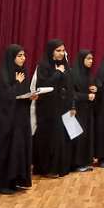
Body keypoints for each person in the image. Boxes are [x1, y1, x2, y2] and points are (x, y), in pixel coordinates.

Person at [0, 45, 34, 194]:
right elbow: (4, 97)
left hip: (19, 120)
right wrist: (17, 83)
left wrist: (31, 97)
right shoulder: (3, 74)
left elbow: (22, 95)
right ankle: (0, 184)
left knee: (16, 150)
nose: (23, 58)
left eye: (24, 55)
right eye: (19, 56)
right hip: (4, 121)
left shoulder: (23, 72)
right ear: (12, 57)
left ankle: (14, 181)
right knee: (4, 150)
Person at [32, 39, 75, 178]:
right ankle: (47, 169)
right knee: (50, 139)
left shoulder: (65, 65)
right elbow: (43, 86)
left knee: (64, 137)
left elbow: (70, 87)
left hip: (64, 107)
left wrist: (72, 105)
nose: (61, 53)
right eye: (58, 50)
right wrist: (57, 73)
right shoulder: (43, 66)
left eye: (63, 50)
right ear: (51, 52)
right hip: (48, 110)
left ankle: (62, 166)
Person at [71, 49, 96, 172]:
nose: (91, 61)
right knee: (78, 136)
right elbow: (71, 94)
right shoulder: (73, 74)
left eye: (92, 59)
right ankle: (76, 163)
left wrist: (94, 89)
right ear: (82, 60)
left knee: (86, 135)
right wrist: (86, 96)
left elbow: (89, 87)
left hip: (87, 110)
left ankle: (85, 161)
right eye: (88, 59)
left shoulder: (88, 73)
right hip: (76, 110)